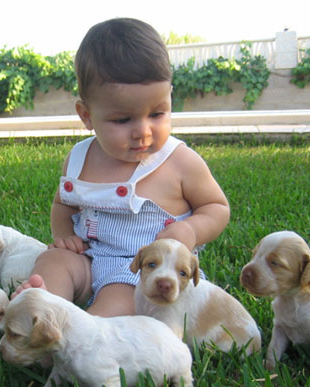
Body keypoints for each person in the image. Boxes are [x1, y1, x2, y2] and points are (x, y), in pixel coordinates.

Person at [13, 17, 230, 317]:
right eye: (123, 119)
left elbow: (216, 207)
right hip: (90, 259)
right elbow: (63, 204)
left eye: (157, 114)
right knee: (53, 262)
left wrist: (190, 230)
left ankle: (90, 328)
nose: (143, 131)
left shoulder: (180, 161)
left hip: (142, 270)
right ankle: (42, 306)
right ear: (87, 115)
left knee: (117, 301)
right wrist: (65, 237)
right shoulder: (79, 158)